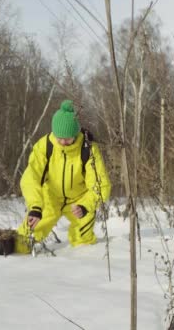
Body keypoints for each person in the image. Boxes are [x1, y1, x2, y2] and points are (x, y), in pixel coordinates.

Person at [15, 100, 111, 254]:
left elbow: (100, 185)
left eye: (67, 138)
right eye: (59, 137)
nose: (63, 142)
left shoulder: (88, 149)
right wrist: (35, 207)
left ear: (75, 134)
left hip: (78, 201)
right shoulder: (44, 146)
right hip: (50, 198)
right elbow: (30, 178)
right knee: (23, 240)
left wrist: (85, 206)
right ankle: (8, 248)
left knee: (84, 242)